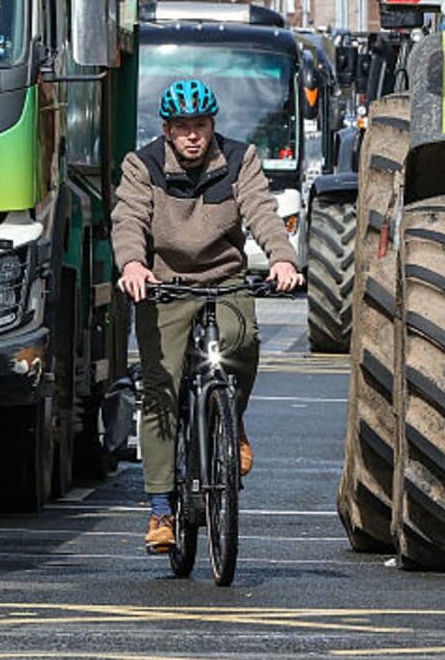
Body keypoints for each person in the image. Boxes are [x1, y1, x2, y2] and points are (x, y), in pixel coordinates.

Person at [113, 79, 304, 553]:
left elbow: (261, 211)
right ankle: (161, 510)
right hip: (165, 282)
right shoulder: (142, 165)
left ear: (213, 125)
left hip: (224, 278)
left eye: (200, 125)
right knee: (161, 386)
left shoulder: (240, 159)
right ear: (168, 130)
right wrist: (133, 264)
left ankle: (231, 419)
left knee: (242, 341)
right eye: (183, 128)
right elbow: (129, 218)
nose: (193, 136)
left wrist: (282, 259)